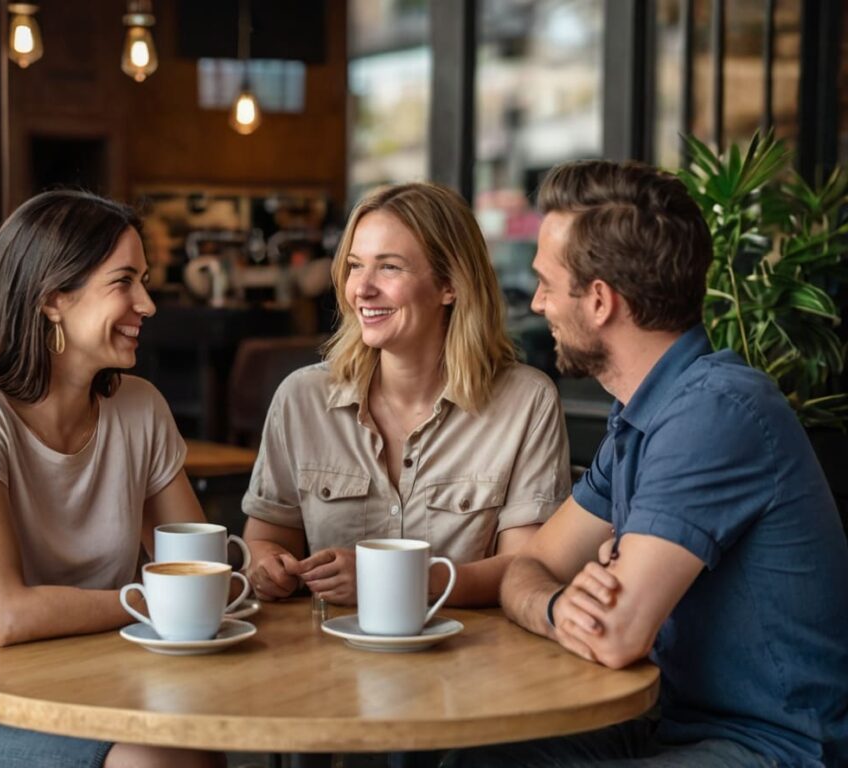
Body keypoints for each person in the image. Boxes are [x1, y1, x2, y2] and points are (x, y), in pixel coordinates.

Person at [448, 160, 848, 767]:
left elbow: (610, 635)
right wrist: (554, 604)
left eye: (548, 284)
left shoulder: (714, 413)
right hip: (672, 720)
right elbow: (528, 564)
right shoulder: (646, 414)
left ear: (601, 301)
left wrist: (554, 603)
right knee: (479, 759)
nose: (538, 303)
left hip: (772, 746)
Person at [0, 190, 222, 768]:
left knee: (200, 743)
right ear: (54, 298)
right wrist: (155, 601)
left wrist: (249, 573)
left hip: (86, 675)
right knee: (157, 759)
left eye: (145, 281)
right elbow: (3, 617)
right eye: (124, 282)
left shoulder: (140, 408)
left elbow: (196, 573)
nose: (148, 304)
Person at [242, 181, 571, 607]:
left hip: (469, 663)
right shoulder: (301, 398)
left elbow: (525, 568)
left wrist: (393, 581)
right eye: (355, 265)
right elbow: (265, 539)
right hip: (327, 659)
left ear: (449, 284)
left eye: (390, 267)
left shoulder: (526, 402)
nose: (362, 288)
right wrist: (269, 568)